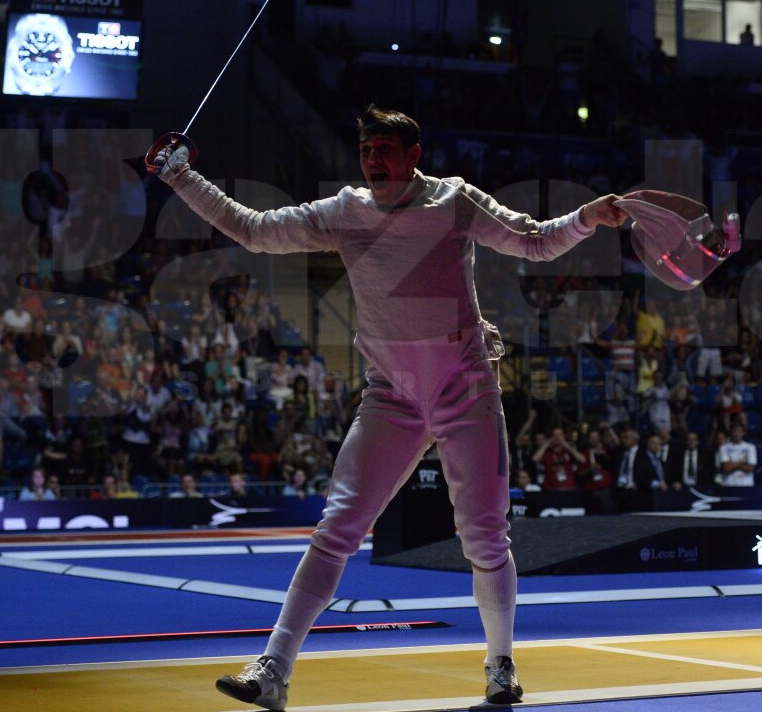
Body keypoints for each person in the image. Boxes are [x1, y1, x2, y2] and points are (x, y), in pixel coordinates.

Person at [156, 104, 629, 709]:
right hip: (393, 393)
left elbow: (534, 241)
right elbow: (253, 228)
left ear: (413, 155)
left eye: (385, 149)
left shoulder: (454, 201)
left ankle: (501, 665)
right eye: (366, 150)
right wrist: (180, 177)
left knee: (485, 536)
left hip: (465, 386)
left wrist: (587, 216)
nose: (373, 160)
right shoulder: (345, 212)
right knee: (337, 529)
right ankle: (273, 669)